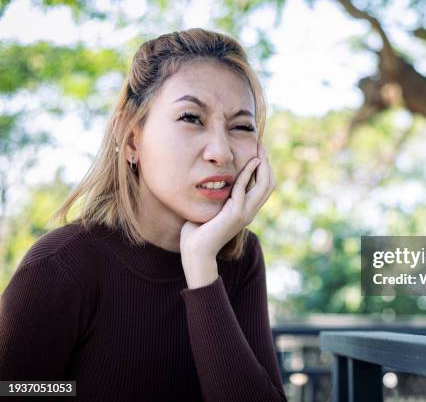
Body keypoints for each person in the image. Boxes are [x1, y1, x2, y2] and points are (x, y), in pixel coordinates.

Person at [0, 28, 286, 401]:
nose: (222, 152)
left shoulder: (240, 257)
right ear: (133, 139)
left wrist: (201, 268)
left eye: (241, 127)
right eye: (191, 118)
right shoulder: (63, 264)